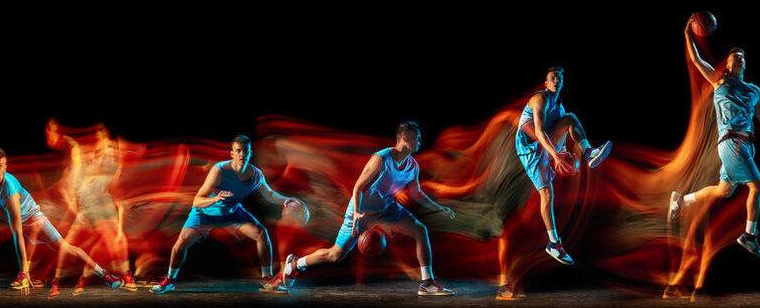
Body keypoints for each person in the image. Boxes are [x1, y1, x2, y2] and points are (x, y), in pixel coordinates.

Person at [272, 121, 457, 296]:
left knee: (420, 230)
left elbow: (417, 193)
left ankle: (427, 283)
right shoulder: (380, 159)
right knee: (335, 255)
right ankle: (294, 264)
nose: (420, 140)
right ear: (404, 138)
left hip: (386, 209)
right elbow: (358, 187)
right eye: (416, 137)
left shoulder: (412, 166)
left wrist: (439, 208)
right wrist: (356, 213)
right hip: (361, 211)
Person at [668, 18, 760, 258]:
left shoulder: (755, 91)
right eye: (735, 56)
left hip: (745, 145)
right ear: (728, 64)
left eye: (742, 56)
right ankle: (749, 236)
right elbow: (697, 60)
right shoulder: (720, 80)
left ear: (745, 63)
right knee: (758, 186)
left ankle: (681, 200)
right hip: (732, 142)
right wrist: (687, 31)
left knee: (724, 191)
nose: (740, 57)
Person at [0, 143, 123, 294]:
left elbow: (17, 233)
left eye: (0, 166)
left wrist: (24, 271)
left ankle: (105, 274)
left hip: (30, 218)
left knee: (65, 249)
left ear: (5, 167)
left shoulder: (10, 192)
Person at [499, 66, 612, 299]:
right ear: (546, 82)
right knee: (546, 193)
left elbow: (556, 134)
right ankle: (553, 243)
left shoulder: (559, 106)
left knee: (569, 119)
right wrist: (556, 156)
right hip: (530, 148)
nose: (556, 80)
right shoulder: (540, 99)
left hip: (545, 144)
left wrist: (565, 157)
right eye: (552, 78)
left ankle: (588, 153)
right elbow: (540, 132)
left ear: (563, 83)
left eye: (559, 78)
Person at [150, 135, 297, 294]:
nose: (242, 154)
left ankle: (266, 280)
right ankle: (170, 280)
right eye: (238, 151)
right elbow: (197, 201)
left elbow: (270, 194)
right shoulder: (219, 171)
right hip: (205, 213)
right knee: (181, 242)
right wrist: (215, 199)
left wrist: (285, 200)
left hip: (231, 212)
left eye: (245, 151)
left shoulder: (256, 175)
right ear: (232, 153)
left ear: (250, 153)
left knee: (261, 233)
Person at [45, 122, 136, 297]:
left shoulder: (111, 153)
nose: (96, 140)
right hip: (86, 207)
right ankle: (58, 281)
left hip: (103, 205)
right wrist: (61, 134)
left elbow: (113, 180)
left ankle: (124, 275)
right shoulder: (82, 153)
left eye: (100, 136)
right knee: (68, 245)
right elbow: (72, 147)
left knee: (115, 240)